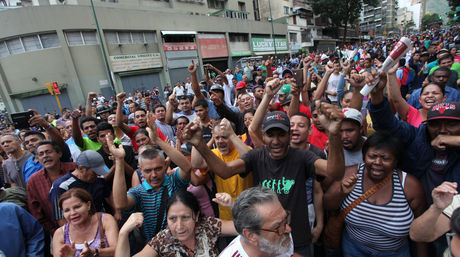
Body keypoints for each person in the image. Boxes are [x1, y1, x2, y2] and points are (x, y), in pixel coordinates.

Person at [184, 77, 345, 256]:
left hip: (297, 240)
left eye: (281, 135)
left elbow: (335, 172)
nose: (275, 141)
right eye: (270, 135)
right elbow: (224, 170)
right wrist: (200, 145)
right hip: (265, 243)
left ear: (289, 135)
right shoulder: (257, 156)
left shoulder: (302, 157)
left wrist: (334, 134)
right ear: (264, 136)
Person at [324, 131, 427, 256]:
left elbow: (423, 228)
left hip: (394, 253)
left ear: (396, 161)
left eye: (385, 158)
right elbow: (328, 205)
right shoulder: (350, 174)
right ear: (364, 156)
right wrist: (342, 191)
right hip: (354, 249)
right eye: (372, 156)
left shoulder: (410, 186)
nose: (377, 162)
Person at [111, 114, 192, 242]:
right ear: (140, 170)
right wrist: (120, 161)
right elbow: (121, 203)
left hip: (184, 242)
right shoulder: (138, 192)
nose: (154, 175)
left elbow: (187, 168)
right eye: (148, 171)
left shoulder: (173, 181)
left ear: (165, 165)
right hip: (156, 249)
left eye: (158, 169)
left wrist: (158, 141)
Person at [115, 190, 237, 257]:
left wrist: (233, 206)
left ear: (197, 215)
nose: (179, 226)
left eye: (185, 217)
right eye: (172, 219)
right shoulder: (162, 240)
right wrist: (123, 233)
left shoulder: (208, 225)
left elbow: (245, 228)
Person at [219, 186, 294, 257]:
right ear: (251, 236)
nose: (288, 229)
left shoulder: (283, 236)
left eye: (285, 219)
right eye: (277, 226)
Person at [49, 150, 111, 226]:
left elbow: (109, 197)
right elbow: (62, 221)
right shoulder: (61, 187)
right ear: (81, 168)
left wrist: (117, 212)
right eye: (95, 172)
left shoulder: (98, 179)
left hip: (103, 222)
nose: (98, 175)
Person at [53, 188, 118, 257]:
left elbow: (118, 250)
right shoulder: (60, 233)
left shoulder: (105, 220)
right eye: (67, 210)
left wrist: (94, 252)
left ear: (88, 205)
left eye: (77, 207)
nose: (72, 213)